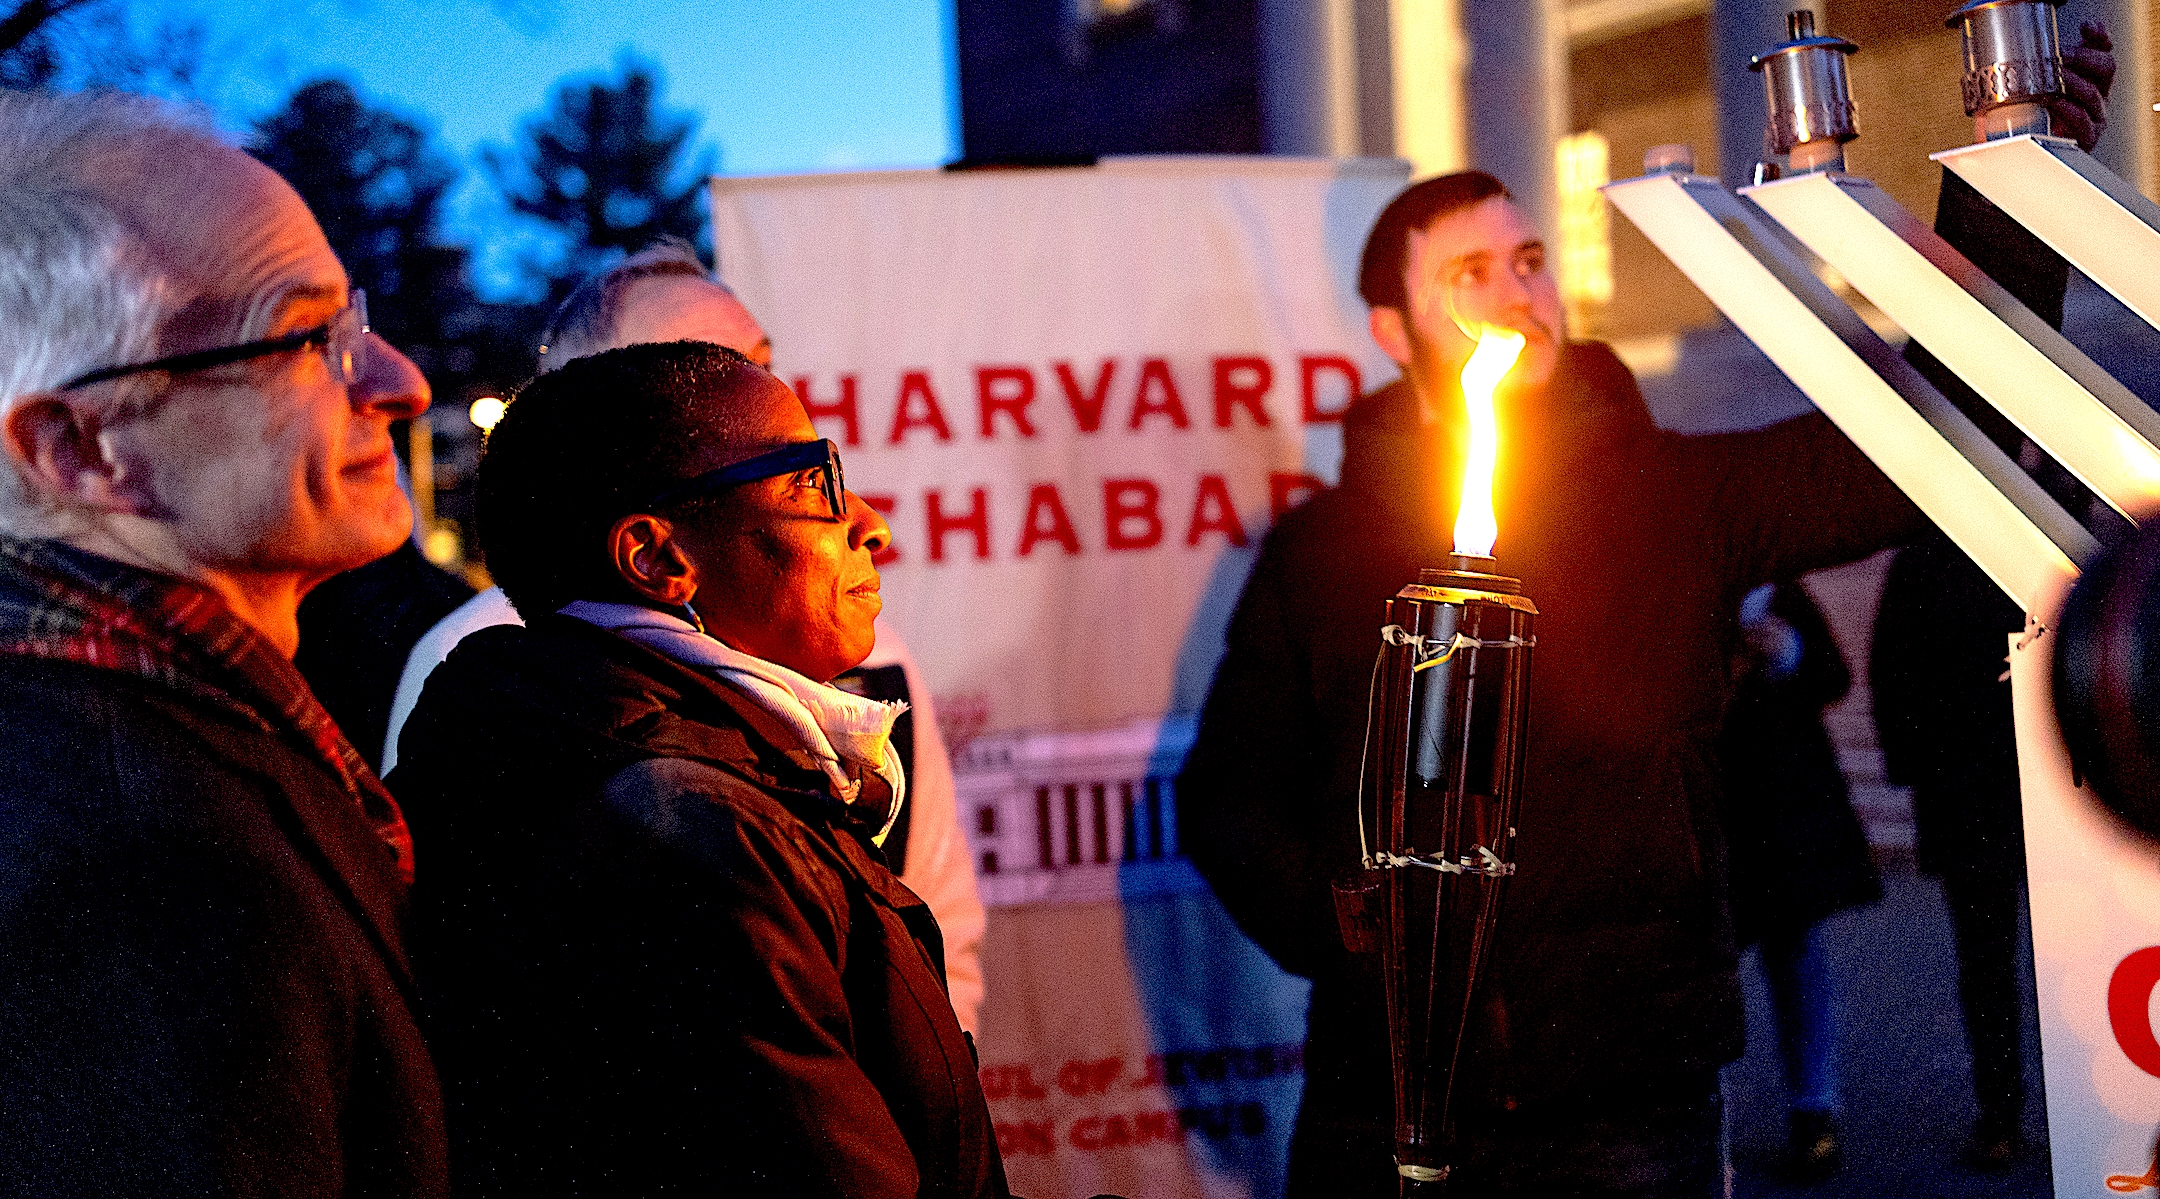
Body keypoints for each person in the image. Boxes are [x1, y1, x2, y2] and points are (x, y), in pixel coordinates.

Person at [1177, 35, 2109, 1185]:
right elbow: (1225, 797)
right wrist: (1353, 928)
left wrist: (2017, 183)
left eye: (1529, 259)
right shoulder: (1320, 553)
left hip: (1631, 1103)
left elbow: (1923, 446)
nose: (1518, 294)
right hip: (1385, 1103)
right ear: (1392, 329)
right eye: (1471, 276)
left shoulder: (1670, 495)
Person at [389, 341, 1011, 1196]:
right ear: (657, 557)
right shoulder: (697, 843)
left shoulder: (627, 772)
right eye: (811, 484)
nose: (870, 523)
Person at [0, 91, 446, 1194]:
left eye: (359, 317)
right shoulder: (130, 865)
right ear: (80, 446)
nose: (400, 382)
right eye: (308, 337)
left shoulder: (156, 747)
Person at [380, 238, 986, 1029]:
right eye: (693, 367)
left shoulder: (872, 660)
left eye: (758, 364)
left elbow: (943, 931)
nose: (749, 393)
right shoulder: (482, 674)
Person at [1716, 581, 1879, 1179]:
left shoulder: (1777, 592)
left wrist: (1787, 652)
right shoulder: (1694, 594)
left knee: (1796, 964)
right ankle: (1701, 1113)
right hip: (1716, 808)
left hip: (1779, 818)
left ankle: (1814, 1111)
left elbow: (1834, 675)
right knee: (1707, 968)